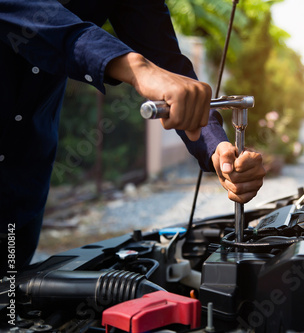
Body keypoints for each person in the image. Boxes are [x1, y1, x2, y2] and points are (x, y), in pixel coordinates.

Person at [0, 0, 266, 274]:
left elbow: (169, 66)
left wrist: (218, 148)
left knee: (11, 300)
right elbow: (24, 12)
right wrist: (136, 67)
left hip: (24, 170)